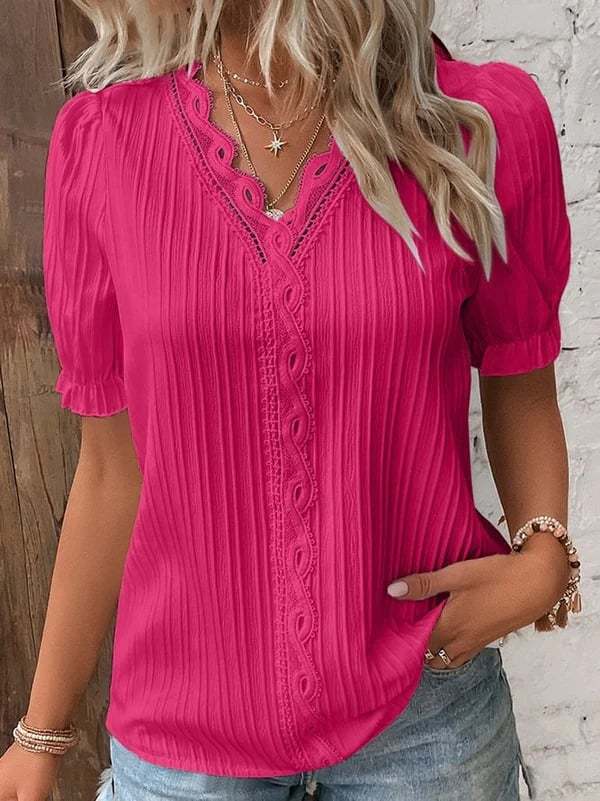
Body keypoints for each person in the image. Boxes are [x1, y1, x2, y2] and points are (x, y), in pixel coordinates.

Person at [0, 2, 581, 800]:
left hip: (427, 716)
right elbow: (111, 469)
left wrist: (545, 557)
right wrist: (41, 732)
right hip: (185, 740)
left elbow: (518, 377)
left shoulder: (468, 123)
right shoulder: (105, 144)